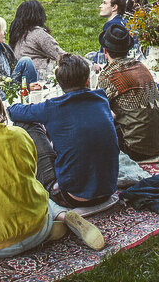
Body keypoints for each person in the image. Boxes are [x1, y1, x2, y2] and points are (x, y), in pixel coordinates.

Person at [0, 75, 105, 277]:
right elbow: (29, 180)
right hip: (35, 230)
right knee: (38, 193)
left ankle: (54, 225)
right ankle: (61, 218)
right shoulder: (20, 134)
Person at [8, 55, 119, 207]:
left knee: (26, 124)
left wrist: (27, 91)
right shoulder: (101, 98)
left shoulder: (53, 107)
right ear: (88, 80)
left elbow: (14, 111)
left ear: (59, 84)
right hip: (108, 190)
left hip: (71, 196)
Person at [96, 25, 159, 161]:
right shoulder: (141, 66)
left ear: (105, 51)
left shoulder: (108, 75)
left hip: (136, 149)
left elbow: (100, 113)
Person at [10, 0, 67, 80]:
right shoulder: (38, 33)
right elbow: (61, 55)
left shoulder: (17, 34)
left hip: (21, 77)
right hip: (39, 76)